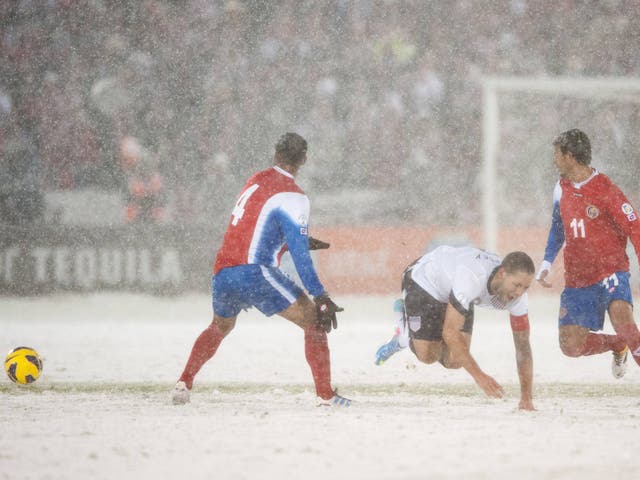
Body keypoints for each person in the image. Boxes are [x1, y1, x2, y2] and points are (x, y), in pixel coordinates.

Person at [172, 132, 350, 407]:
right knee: (315, 321)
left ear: (275, 154)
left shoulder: (254, 180)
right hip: (255, 272)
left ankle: (184, 383)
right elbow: (302, 258)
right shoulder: (295, 197)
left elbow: (251, 227)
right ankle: (326, 396)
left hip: (223, 271)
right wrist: (320, 295)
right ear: (304, 159)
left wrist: (288, 242)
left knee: (219, 326)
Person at [375, 245, 536, 411]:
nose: (519, 293)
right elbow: (450, 333)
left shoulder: (519, 299)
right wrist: (479, 376)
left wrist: (526, 398)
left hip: (456, 292)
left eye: (525, 287)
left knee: (456, 360)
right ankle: (403, 333)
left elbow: (523, 347)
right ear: (502, 274)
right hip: (424, 281)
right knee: (428, 355)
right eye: (516, 285)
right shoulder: (472, 277)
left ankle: (419, 331)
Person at [536, 128, 640, 378]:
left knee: (622, 319)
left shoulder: (606, 189)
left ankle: (624, 339)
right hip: (579, 279)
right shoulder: (560, 189)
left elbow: (635, 226)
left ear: (569, 156)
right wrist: (547, 261)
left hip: (610, 271)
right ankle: (616, 344)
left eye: (557, 153)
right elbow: (558, 228)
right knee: (570, 346)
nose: (554, 159)